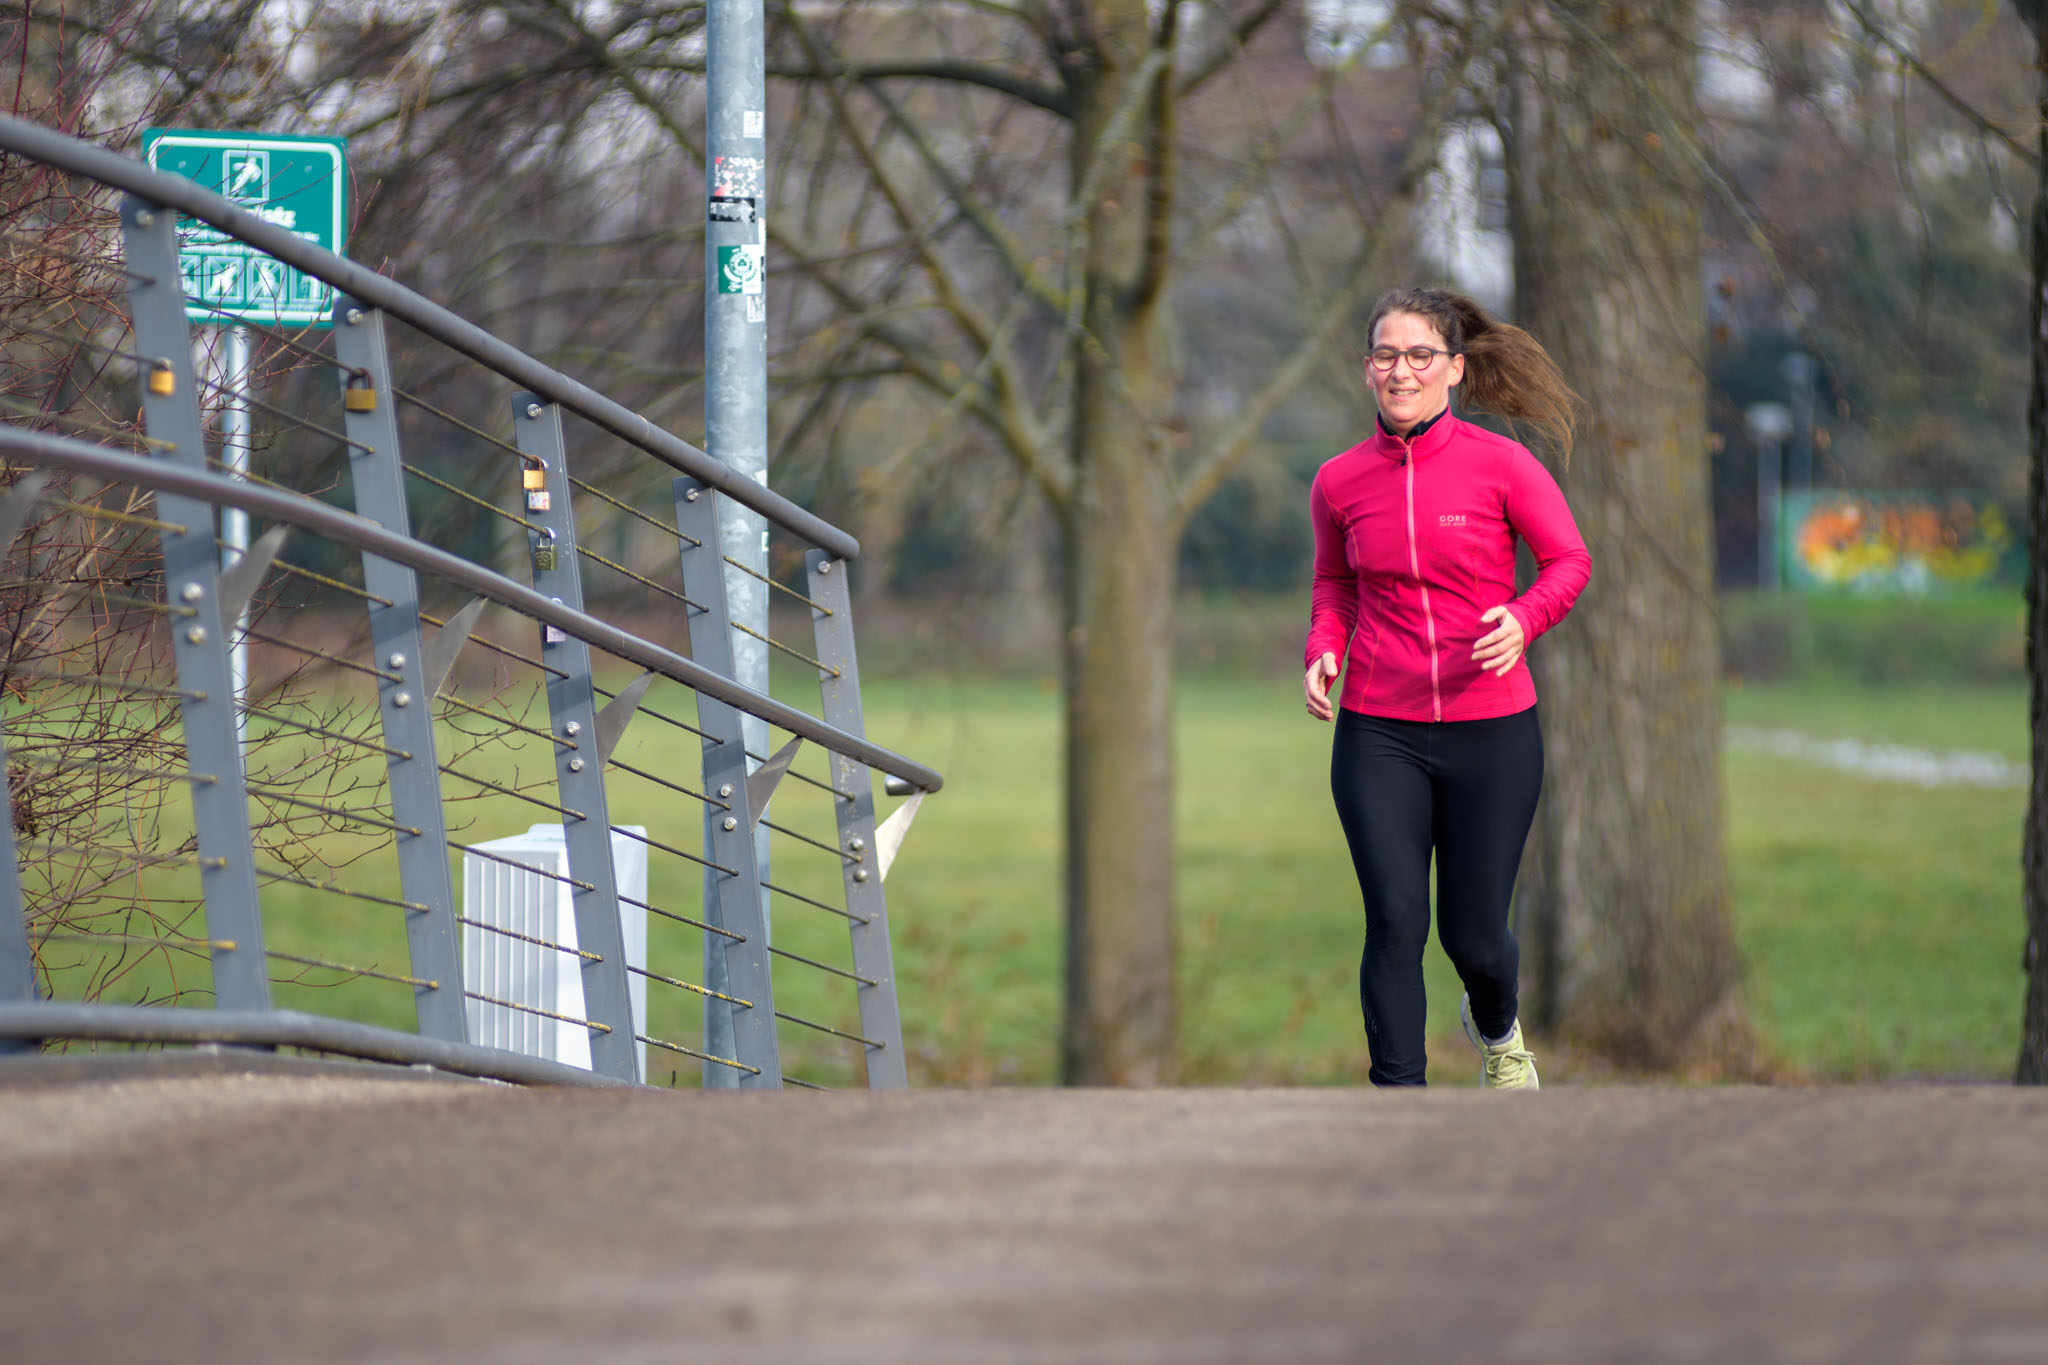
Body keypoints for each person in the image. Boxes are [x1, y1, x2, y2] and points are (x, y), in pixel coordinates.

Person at [1302, 287, 1590, 1090]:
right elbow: (1334, 583)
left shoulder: (1502, 465)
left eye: (1420, 354)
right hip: (1377, 729)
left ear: (1454, 369)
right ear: (1367, 371)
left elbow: (1569, 561)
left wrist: (1524, 620)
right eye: (1386, 355)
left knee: (1474, 938)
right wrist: (1325, 644)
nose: (1402, 370)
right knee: (1394, 918)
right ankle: (1402, 1104)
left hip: (1491, 728)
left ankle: (1497, 1027)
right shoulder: (1337, 482)